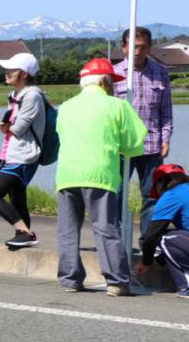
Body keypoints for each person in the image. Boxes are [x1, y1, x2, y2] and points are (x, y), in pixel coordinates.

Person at [55, 58, 147, 296]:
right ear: (105, 81)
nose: (114, 86)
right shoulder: (117, 106)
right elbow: (135, 142)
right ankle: (116, 280)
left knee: (67, 229)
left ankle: (70, 279)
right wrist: (125, 149)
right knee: (105, 227)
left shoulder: (65, 107)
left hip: (67, 174)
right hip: (99, 174)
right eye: (112, 82)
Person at [113, 26, 174, 239]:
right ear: (123, 48)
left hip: (151, 145)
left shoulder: (160, 72)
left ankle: (148, 242)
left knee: (152, 195)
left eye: (143, 47)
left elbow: (166, 110)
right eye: (134, 47)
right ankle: (117, 242)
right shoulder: (114, 75)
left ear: (149, 48)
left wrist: (165, 138)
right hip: (119, 147)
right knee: (116, 194)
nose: (138, 52)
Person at [0, 53, 45, 249]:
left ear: (25, 74)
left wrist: (6, 127)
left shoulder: (33, 95)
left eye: (12, 70)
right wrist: (8, 126)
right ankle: (24, 235)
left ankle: (24, 232)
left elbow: (18, 128)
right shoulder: (14, 95)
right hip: (14, 152)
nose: (6, 72)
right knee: (17, 197)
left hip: (25, 155)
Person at [135, 164, 189, 298]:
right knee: (173, 236)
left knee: (163, 238)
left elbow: (152, 234)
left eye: (156, 187)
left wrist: (146, 261)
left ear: (161, 182)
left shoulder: (172, 194)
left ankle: (187, 286)